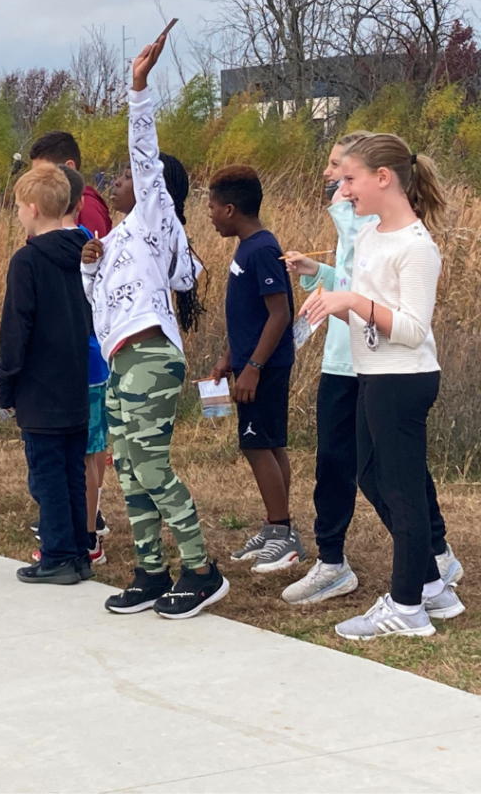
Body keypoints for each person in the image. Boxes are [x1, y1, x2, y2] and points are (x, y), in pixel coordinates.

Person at [83, 32, 227, 618]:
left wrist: (137, 89)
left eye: (125, 177)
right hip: (121, 359)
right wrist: (87, 268)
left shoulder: (152, 217)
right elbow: (101, 309)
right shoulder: (116, 239)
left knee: (150, 465)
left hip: (149, 358)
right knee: (129, 471)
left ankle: (201, 569)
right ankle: (150, 569)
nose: (116, 180)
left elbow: (145, 155)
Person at [302, 133, 464, 640]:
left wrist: (350, 302)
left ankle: (408, 607)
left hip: (405, 380)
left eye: (350, 179)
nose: (343, 189)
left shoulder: (418, 248)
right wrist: (330, 296)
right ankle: (433, 585)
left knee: (403, 491)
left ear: (383, 178)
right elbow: (359, 301)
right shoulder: (371, 236)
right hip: (373, 375)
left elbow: (414, 328)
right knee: (371, 478)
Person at [279, 131, 377, 604]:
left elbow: (368, 289)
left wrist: (342, 206)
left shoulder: (366, 219)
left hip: (368, 362)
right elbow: (350, 280)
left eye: (337, 166)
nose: (327, 173)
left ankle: (434, 556)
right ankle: (332, 560)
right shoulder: (352, 220)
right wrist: (316, 274)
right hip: (342, 357)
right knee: (336, 463)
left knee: (376, 468)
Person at [0, 162, 91, 584]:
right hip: (76, 378)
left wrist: (6, 383)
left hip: (39, 384)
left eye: (18, 206)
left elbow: (16, 327)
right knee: (72, 469)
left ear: (32, 209)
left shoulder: (28, 260)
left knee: (46, 472)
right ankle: (79, 553)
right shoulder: (87, 252)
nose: (18, 213)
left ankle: (56, 555)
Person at [209, 165, 304, 573]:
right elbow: (249, 314)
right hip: (249, 362)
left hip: (264, 369)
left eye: (212, 207)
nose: (209, 214)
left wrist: (252, 368)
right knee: (269, 442)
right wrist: (231, 355)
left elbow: (279, 313)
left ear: (231, 209)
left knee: (256, 445)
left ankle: (283, 536)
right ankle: (274, 524)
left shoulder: (262, 249)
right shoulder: (246, 247)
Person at [58, 164, 110, 569]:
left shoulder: (79, 247)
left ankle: (89, 534)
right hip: (93, 363)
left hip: (86, 365)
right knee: (90, 454)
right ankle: (88, 526)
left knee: (86, 456)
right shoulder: (89, 243)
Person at [29, 131, 112, 238]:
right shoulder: (46, 203)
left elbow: (93, 252)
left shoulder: (88, 208)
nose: (35, 180)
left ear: (69, 167)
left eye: (42, 172)